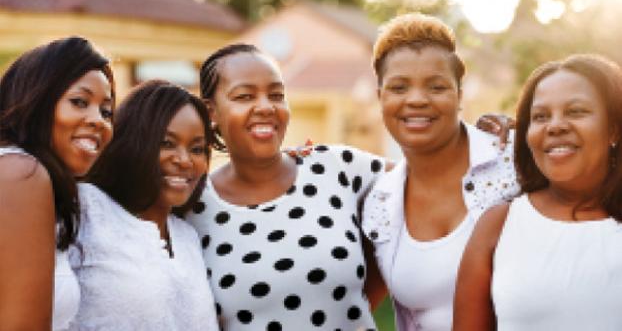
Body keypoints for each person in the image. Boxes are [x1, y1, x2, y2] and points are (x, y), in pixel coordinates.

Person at [186, 44, 388, 331]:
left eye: (277, 95)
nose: (267, 106)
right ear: (211, 111)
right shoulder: (190, 207)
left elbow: (424, 180)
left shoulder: (336, 167)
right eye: (245, 96)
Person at [360, 13, 520, 331]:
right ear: (380, 97)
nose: (417, 100)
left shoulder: (516, 162)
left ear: (460, 95)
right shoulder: (379, 202)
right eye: (399, 87)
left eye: (436, 87)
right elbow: (351, 306)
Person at [453, 54, 622, 331]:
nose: (555, 126)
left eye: (576, 111)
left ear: (614, 128)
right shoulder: (498, 225)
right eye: (540, 116)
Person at [69, 80, 219, 330]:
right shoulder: (86, 209)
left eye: (197, 149)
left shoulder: (188, 236)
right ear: (134, 142)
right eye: (167, 143)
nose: (185, 161)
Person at [0, 37, 114, 330]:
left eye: (106, 111)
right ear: (37, 100)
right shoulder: (22, 174)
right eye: (79, 102)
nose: (98, 121)